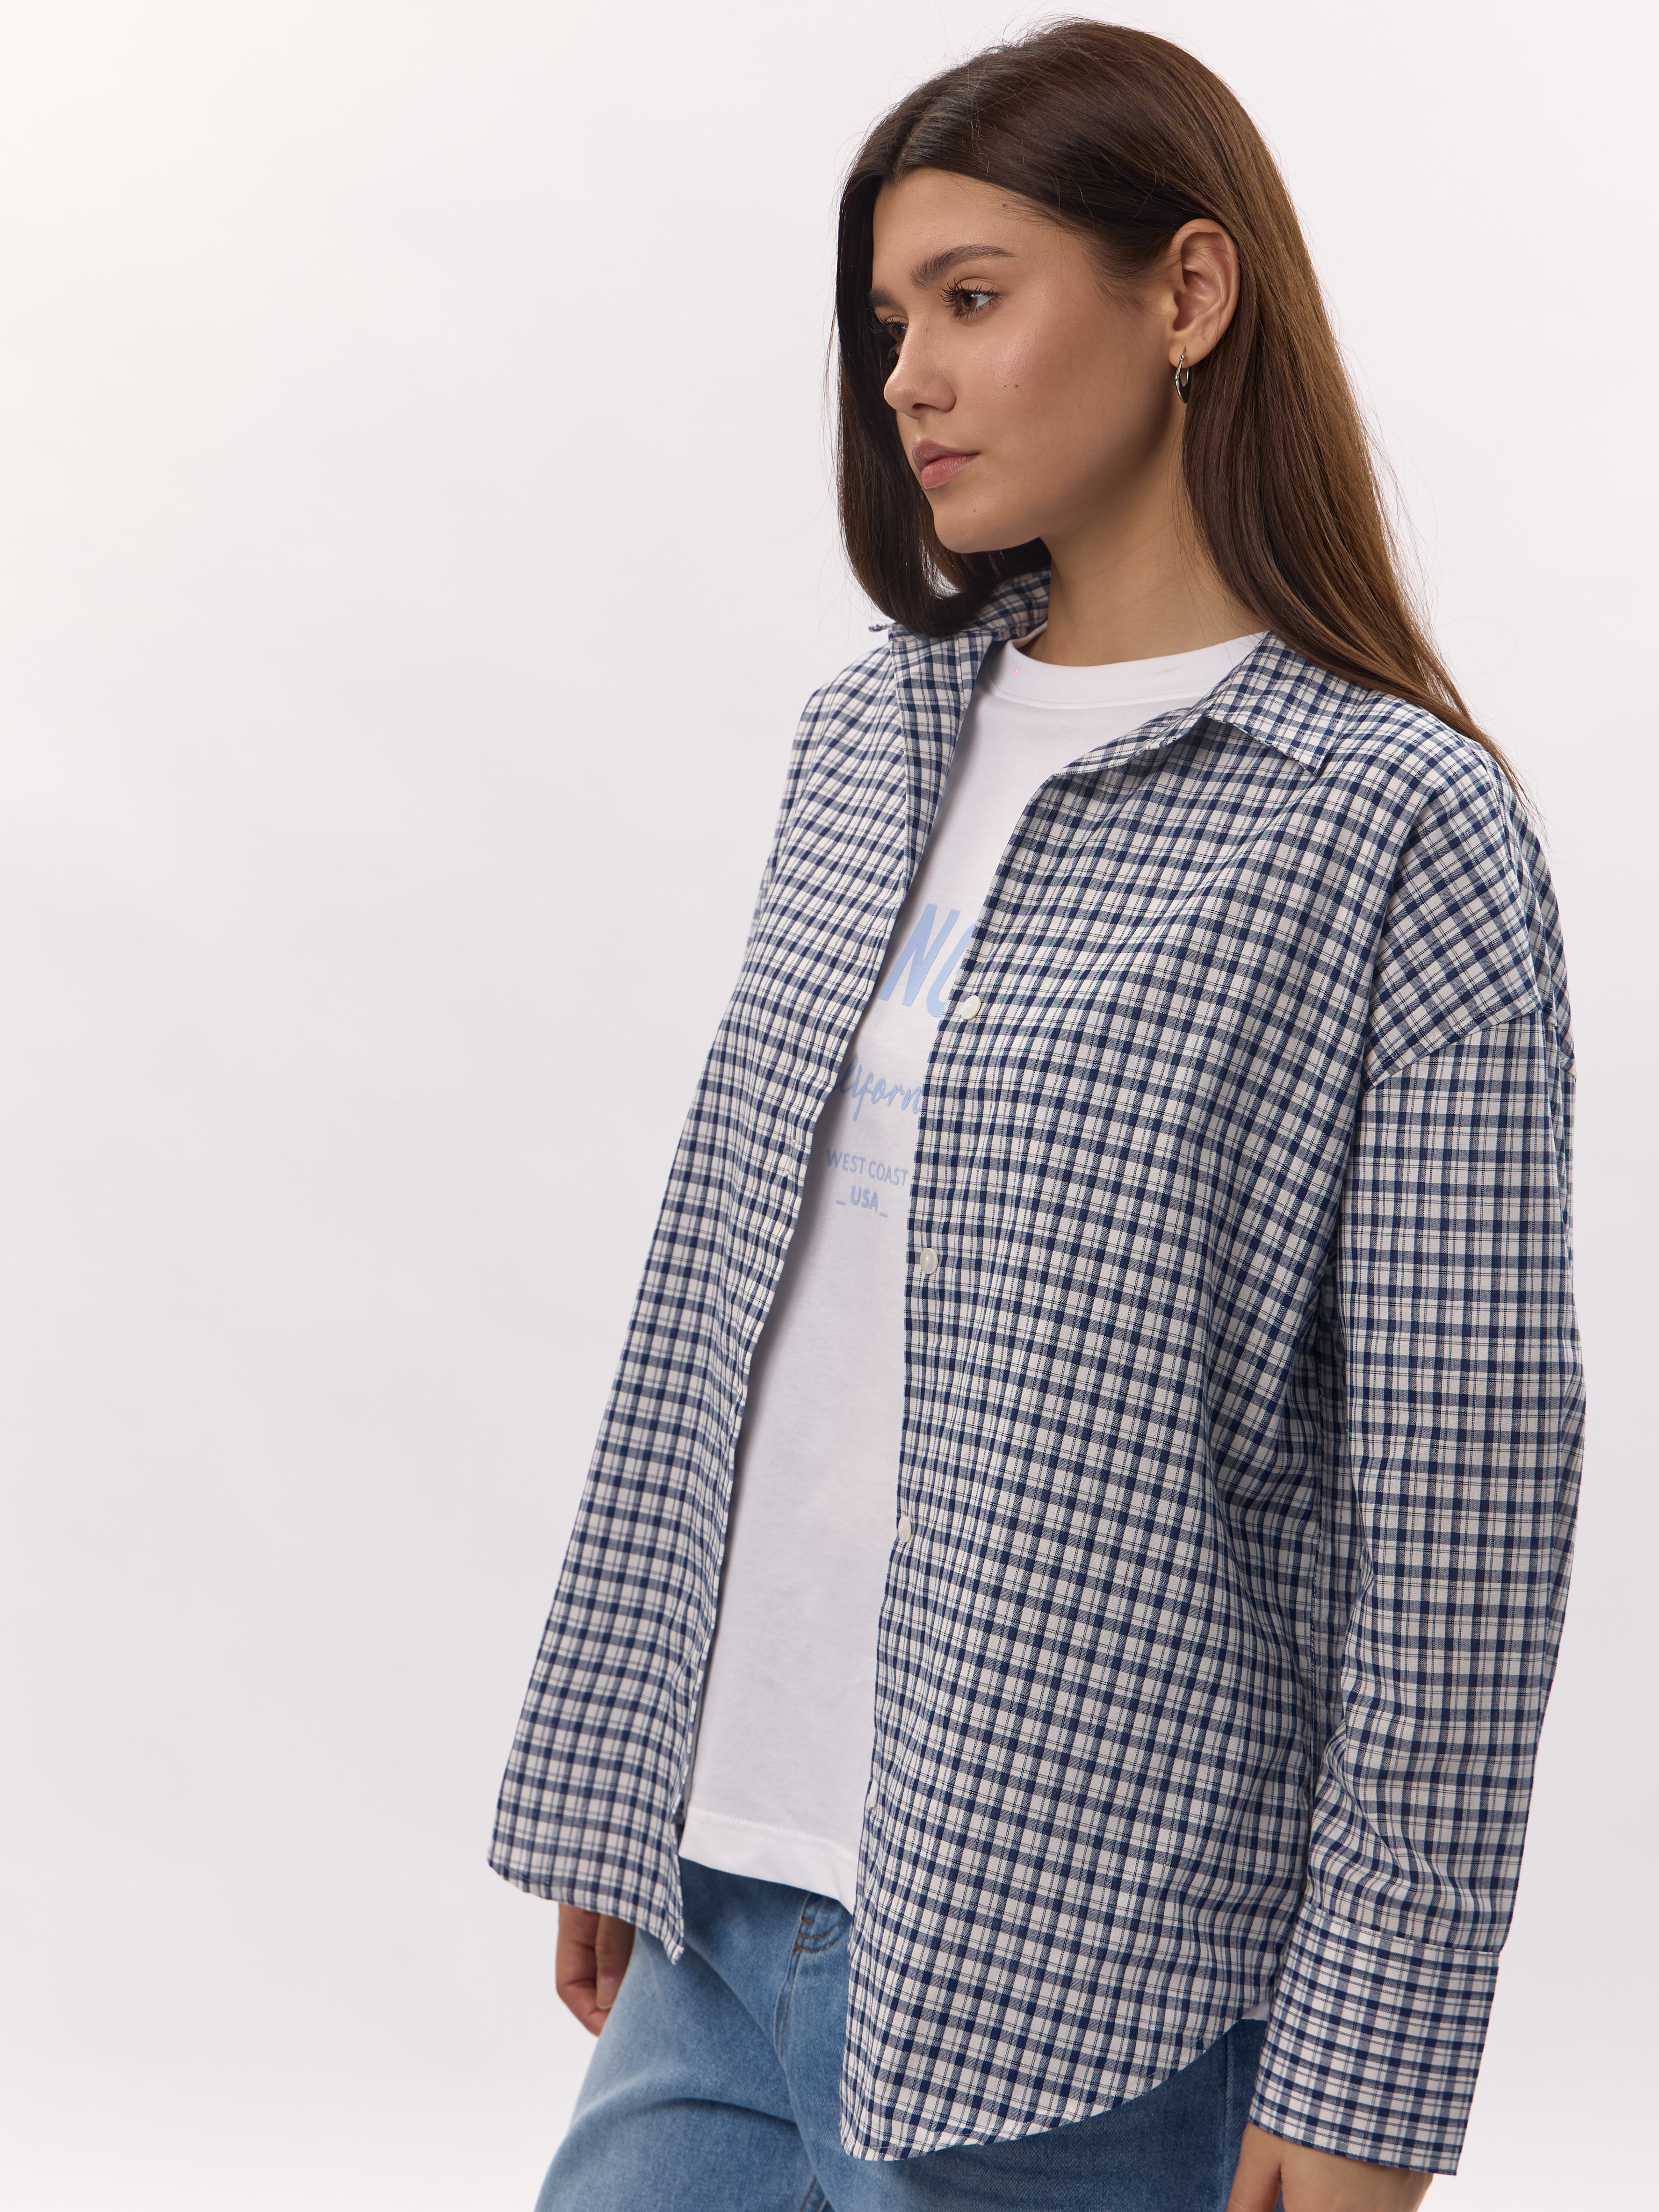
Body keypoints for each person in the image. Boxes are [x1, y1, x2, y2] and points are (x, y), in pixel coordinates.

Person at [491, 22, 1581, 2211]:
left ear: (1186, 293)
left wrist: (1367, 2069)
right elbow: (727, 1293)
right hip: (726, 1894)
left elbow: (1461, 1502)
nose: (905, 378)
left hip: (1086, 1972)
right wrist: (630, 1761)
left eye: (970, 299)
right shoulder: (865, 738)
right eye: (886, 322)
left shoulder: (1390, 821)